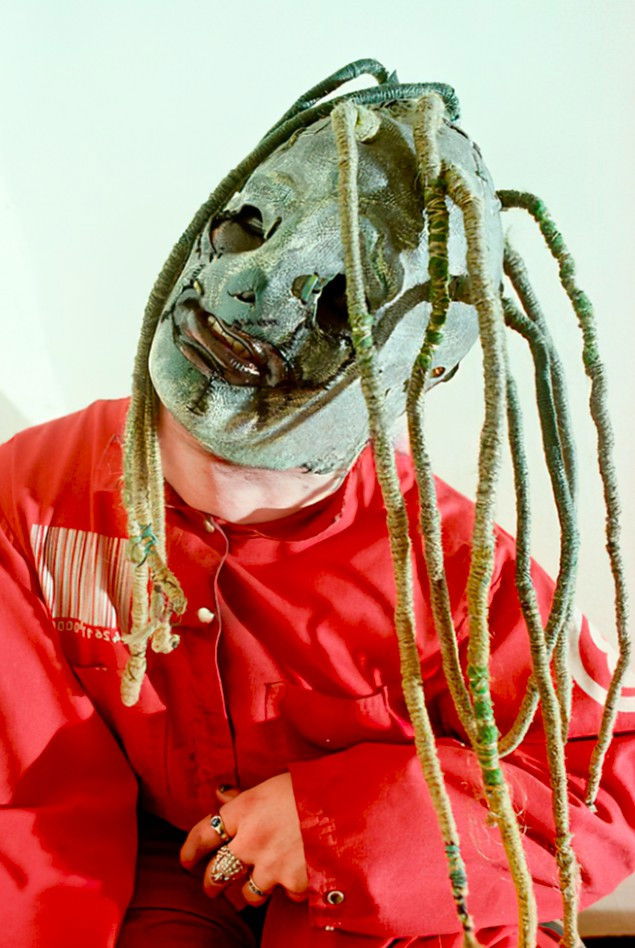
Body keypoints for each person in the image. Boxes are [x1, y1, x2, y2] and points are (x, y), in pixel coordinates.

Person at [1, 61, 634, 947]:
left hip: (381, 903)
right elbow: (26, 806)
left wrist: (342, 826)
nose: (246, 290)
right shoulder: (31, 494)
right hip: (155, 872)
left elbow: (595, 792)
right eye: (245, 228)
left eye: (345, 297)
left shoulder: (463, 575)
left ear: (425, 367)